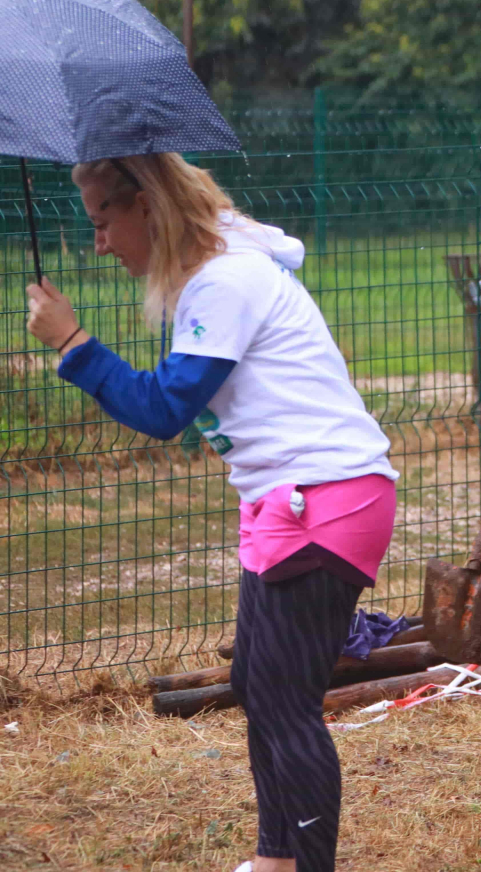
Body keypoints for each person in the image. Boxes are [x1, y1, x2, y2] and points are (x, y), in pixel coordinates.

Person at [26, 153, 396, 872]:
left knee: (288, 704)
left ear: (147, 208)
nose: (99, 242)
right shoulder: (214, 272)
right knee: (257, 684)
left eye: (103, 221)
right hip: (284, 499)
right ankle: (276, 858)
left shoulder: (228, 281)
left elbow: (164, 407)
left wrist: (72, 344)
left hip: (324, 498)